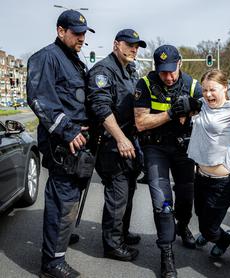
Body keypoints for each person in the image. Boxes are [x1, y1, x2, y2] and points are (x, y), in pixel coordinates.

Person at [26, 9, 94, 278]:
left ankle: (60, 240)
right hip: (63, 144)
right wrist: (68, 130)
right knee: (61, 200)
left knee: (71, 199)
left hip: (78, 143)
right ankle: (52, 263)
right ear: (60, 31)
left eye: (84, 34)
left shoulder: (74, 61)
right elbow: (40, 99)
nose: (81, 38)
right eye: (76, 33)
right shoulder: (46, 58)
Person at [134, 44, 202, 277]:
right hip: (156, 148)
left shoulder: (193, 85)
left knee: (186, 198)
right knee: (162, 203)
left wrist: (194, 109)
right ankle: (166, 253)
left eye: (172, 71)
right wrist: (171, 113)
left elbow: (210, 111)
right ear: (156, 68)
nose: (169, 76)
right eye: (163, 72)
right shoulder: (145, 84)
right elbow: (141, 122)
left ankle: (183, 226)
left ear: (180, 64)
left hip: (184, 149)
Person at [86, 29, 147, 261]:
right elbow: (101, 109)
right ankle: (112, 244)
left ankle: (121, 233)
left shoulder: (130, 70)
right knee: (117, 194)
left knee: (129, 190)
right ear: (116, 45)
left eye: (137, 46)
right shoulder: (103, 71)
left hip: (130, 141)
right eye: (130, 44)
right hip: (112, 144)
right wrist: (121, 138)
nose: (134, 49)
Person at [186, 69, 230, 257]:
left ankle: (222, 238)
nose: (208, 94)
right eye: (205, 90)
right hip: (200, 176)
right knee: (200, 215)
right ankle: (209, 234)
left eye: (212, 90)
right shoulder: (202, 105)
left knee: (210, 227)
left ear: (224, 87)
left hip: (221, 182)